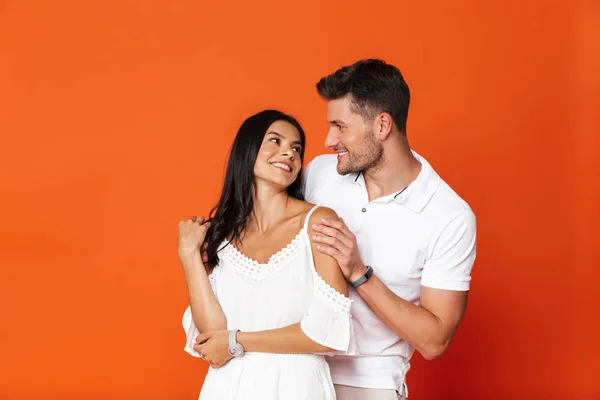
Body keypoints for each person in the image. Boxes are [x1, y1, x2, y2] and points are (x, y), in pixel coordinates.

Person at [303, 58, 477, 399]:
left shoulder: (450, 216)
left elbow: (434, 340)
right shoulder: (318, 174)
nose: (328, 139)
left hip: (368, 385)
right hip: (296, 368)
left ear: (382, 125)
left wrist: (358, 272)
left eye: (341, 126)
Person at [178, 110, 355, 400]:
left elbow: (327, 333)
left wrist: (237, 341)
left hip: (297, 387)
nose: (289, 153)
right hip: (227, 388)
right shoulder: (219, 235)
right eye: (275, 141)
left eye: (296, 148)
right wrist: (188, 256)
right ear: (247, 150)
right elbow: (212, 337)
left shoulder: (318, 222)